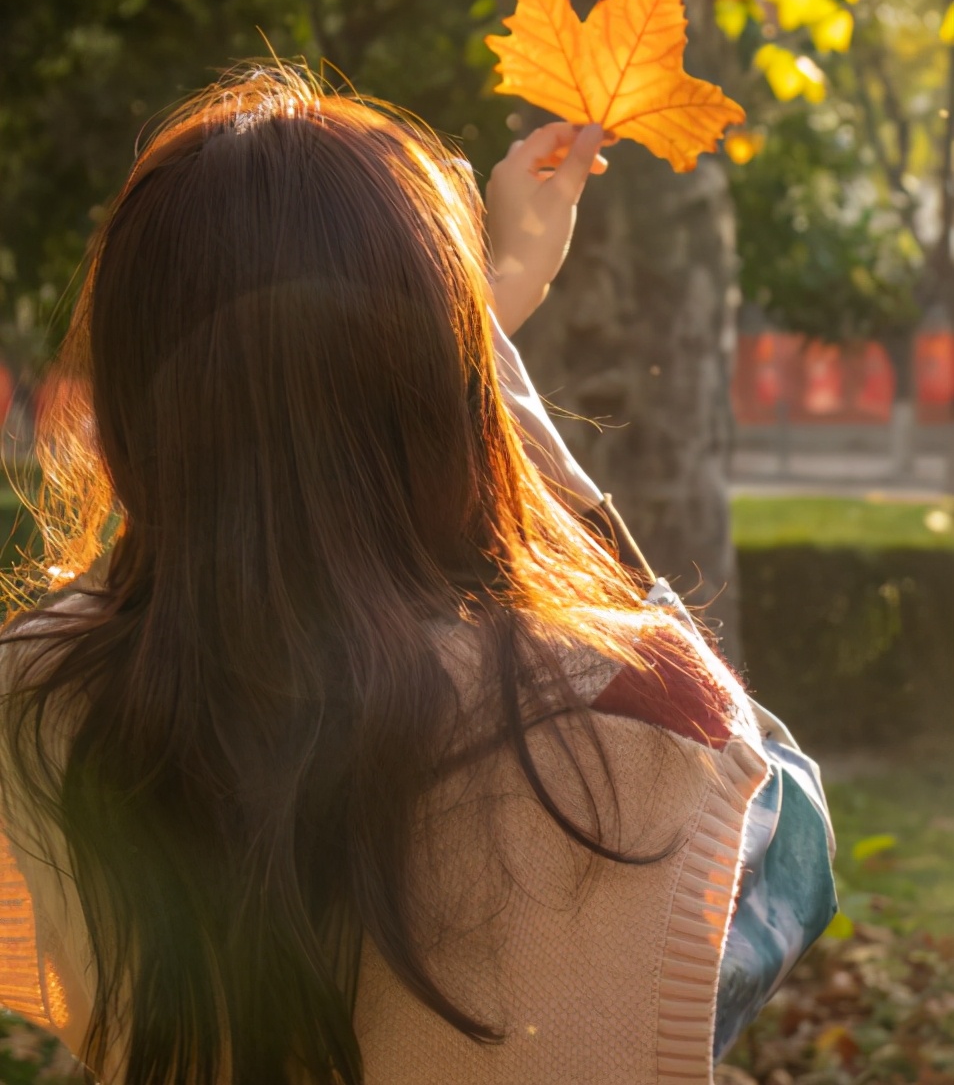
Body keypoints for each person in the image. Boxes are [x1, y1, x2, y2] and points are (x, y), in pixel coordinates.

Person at [0, 65, 835, 1085]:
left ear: (131, 409)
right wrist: (498, 391)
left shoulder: (38, 701)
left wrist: (386, 361)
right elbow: (789, 835)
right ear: (464, 408)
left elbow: (207, 531)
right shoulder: (625, 729)